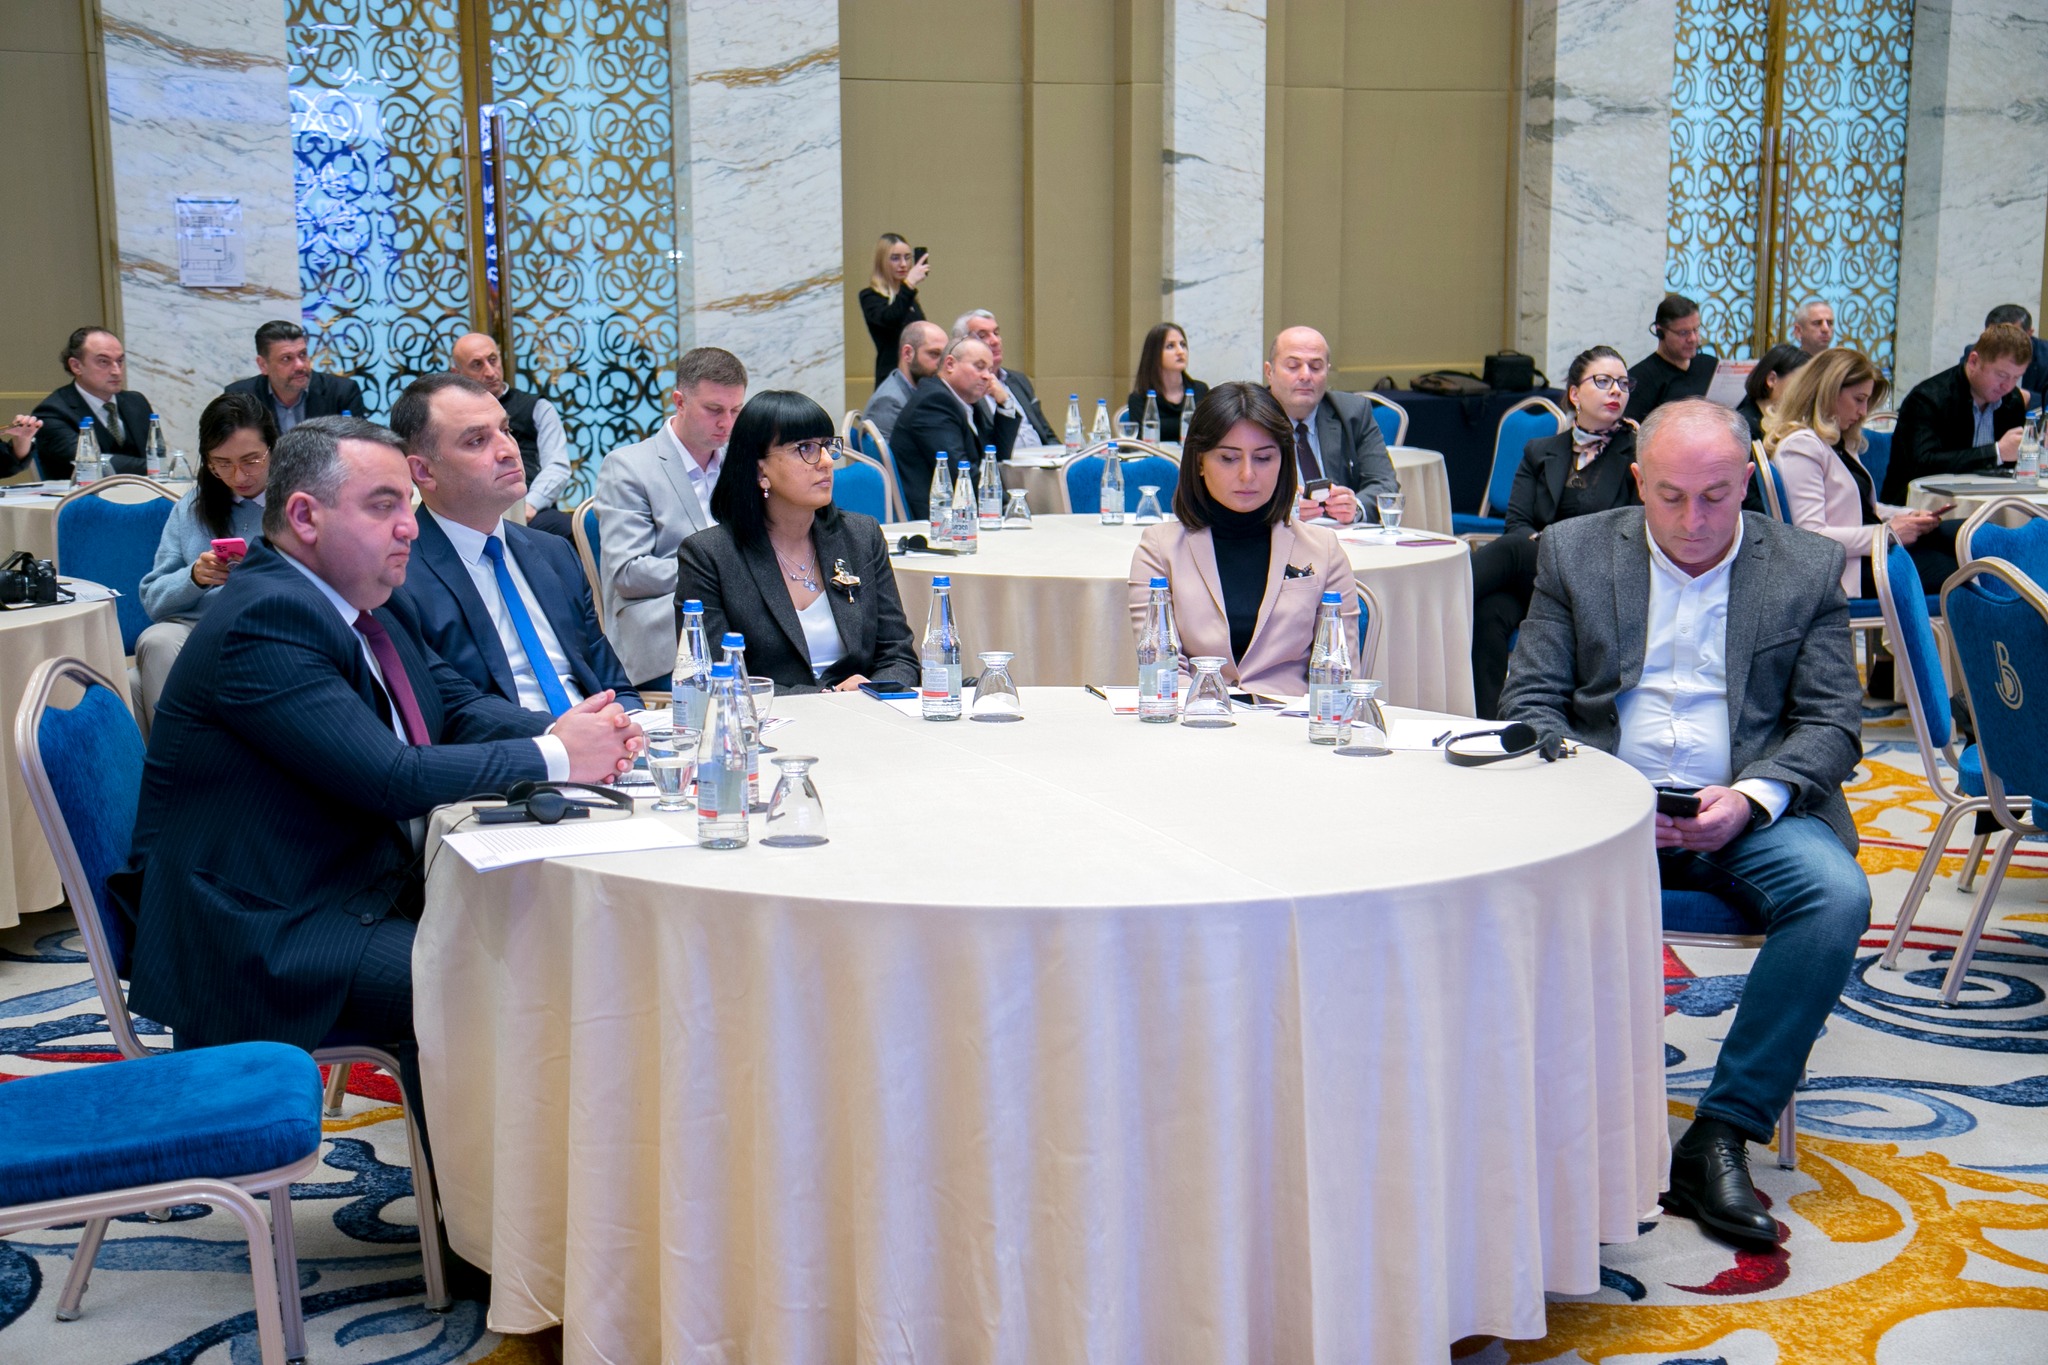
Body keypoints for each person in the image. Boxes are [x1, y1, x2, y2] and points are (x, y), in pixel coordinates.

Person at [113, 415, 641, 1063]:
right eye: (383, 505)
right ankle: (481, 1132)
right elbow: (391, 777)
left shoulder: (365, 594)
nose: (409, 526)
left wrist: (569, 731)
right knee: (525, 984)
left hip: (350, 877)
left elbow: (454, 703)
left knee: (571, 933)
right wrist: (557, 755)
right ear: (304, 517)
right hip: (264, 927)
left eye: (406, 504)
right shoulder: (266, 618)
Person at [1501, 398, 1868, 1250]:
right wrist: (1609, 796)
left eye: (1715, 496)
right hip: (1602, 805)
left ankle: (1722, 1132)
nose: (1693, 519)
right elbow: (1530, 703)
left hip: (1748, 807)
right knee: (1481, 872)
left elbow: (1831, 723)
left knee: (1837, 897)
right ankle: (1532, 1115)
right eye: (1670, 496)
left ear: (1747, 481)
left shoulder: (1805, 565)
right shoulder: (1576, 551)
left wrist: (1749, 797)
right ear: (1638, 481)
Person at [386, 373, 638, 713]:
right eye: (477, 441)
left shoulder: (555, 554)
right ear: (423, 472)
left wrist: (628, 724)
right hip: (518, 742)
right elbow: (450, 713)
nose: (508, 451)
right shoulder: (399, 576)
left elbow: (614, 684)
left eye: (506, 431)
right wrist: (559, 736)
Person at [676, 392, 919, 694]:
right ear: (760, 471)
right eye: (805, 448)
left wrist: (872, 689)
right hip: (768, 719)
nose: (827, 462)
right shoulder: (708, 556)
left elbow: (898, 655)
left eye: (827, 446)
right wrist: (828, 699)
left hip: (864, 712)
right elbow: (713, 679)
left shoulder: (861, 535)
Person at [1126, 381, 1359, 696]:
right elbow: (1161, 669)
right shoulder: (1159, 549)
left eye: (1263, 458)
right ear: (1200, 462)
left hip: (1293, 718)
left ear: (1283, 462)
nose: (1248, 475)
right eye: (1228, 458)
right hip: (1196, 715)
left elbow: (1341, 674)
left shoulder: (1324, 549)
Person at [1469, 346, 1640, 719]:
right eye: (1603, 381)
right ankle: (1492, 726)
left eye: (1624, 383)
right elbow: (1517, 521)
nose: (1616, 390)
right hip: (1542, 578)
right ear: (1575, 393)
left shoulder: (1636, 455)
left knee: (1513, 549)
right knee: (1490, 611)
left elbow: (1629, 531)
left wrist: (1552, 546)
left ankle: (1442, 601)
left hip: (1598, 576)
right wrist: (1546, 549)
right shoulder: (1540, 450)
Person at [594, 348, 748, 691]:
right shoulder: (628, 467)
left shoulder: (740, 465)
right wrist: (719, 574)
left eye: (736, 410)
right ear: (679, 402)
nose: (726, 423)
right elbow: (628, 573)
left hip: (741, 625)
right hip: (666, 630)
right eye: (714, 410)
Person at [1767, 347, 1954, 600]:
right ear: (1829, 392)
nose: (1864, 412)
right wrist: (1888, 533)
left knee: (1961, 535)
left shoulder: (1835, 441)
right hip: (1849, 569)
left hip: (1868, 554)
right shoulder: (1801, 446)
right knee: (1965, 569)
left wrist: (1905, 516)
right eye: (1859, 399)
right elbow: (1812, 537)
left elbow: (1856, 508)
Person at [135, 393, 277, 722]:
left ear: (272, 448)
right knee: (157, 642)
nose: (239, 476)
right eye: (222, 463)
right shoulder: (193, 506)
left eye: (251, 460)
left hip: (268, 628)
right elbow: (153, 600)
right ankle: (176, 751)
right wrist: (194, 577)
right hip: (198, 629)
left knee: (135, 686)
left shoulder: (298, 502)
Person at [1262, 325, 1397, 525]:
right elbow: (1232, 492)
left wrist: (1355, 507)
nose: (1305, 375)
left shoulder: (1353, 412)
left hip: (1341, 537)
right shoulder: (1251, 418)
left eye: (1316, 367)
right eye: (1293, 366)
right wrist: (1281, 509)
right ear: (1269, 372)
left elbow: (1385, 483)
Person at [1882, 322, 2028, 504]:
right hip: (1923, 507)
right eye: (2002, 375)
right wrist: (1995, 452)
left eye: (2016, 378)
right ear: (1974, 361)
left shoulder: (2012, 400)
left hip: (1992, 502)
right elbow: (1923, 464)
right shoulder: (1927, 398)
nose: (2008, 386)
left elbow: (2014, 468)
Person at [449, 330, 574, 538]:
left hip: (531, 510)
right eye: (477, 365)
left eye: (493, 360)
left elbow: (557, 467)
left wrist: (529, 506)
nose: (490, 372)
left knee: (565, 529)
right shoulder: (450, 418)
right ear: (457, 373)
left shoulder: (537, 407)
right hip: (470, 515)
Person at [889, 336, 1020, 522]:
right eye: (979, 367)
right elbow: (960, 472)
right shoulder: (934, 403)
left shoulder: (964, 402)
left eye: (990, 370)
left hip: (960, 510)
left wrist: (1005, 403)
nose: (988, 377)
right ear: (950, 364)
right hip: (937, 518)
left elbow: (995, 456)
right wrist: (1008, 506)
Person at [10, 327, 155, 480]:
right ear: (76, 366)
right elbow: (89, 462)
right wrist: (158, 468)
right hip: (84, 494)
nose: (116, 371)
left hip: (145, 492)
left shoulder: (136, 402)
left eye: (119, 361)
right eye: (103, 362)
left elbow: (155, 452)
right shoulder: (52, 412)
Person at [222, 320, 367, 435]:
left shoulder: (341, 393)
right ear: (263, 365)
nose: (300, 365)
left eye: (303, 354)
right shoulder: (240, 398)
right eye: (286, 358)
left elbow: (357, 449)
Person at [954, 309, 1057, 445]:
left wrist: (1063, 456)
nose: (995, 341)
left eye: (996, 333)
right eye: (983, 335)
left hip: (1042, 456)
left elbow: (1046, 433)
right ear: (963, 344)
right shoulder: (966, 388)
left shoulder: (1018, 380)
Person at [1625, 294, 1718, 422]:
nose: (1693, 339)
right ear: (1660, 332)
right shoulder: (1641, 378)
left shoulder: (1711, 366)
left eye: (1696, 330)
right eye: (1683, 333)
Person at [858, 233, 929, 387]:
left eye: (907, 258)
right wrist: (909, 285)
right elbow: (890, 319)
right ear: (882, 261)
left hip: (917, 376)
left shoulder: (908, 297)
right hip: (892, 377)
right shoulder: (870, 296)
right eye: (895, 258)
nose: (903, 264)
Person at [862, 320, 946, 442]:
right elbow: (887, 455)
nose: (941, 365)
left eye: (943, 357)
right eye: (934, 354)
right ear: (908, 353)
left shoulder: (921, 391)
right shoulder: (888, 402)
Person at [1126, 322, 1210, 444]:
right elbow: (1138, 446)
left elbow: (1209, 436)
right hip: (1154, 456)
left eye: (1183, 345)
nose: (1180, 351)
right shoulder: (1139, 399)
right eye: (1170, 346)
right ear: (1154, 354)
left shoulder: (1200, 390)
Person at [1958, 304, 2048, 400]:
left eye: (2012, 337)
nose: (2002, 344)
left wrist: (2026, 398)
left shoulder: (2045, 355)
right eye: (1995, 337)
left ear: (2029, 333)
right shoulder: (1976, 352)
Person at [1734, 342, 1810, 445]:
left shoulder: (1796, 422)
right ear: (1772, 379)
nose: (1806, 392)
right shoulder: (1743, 428)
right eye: (1800, 383)